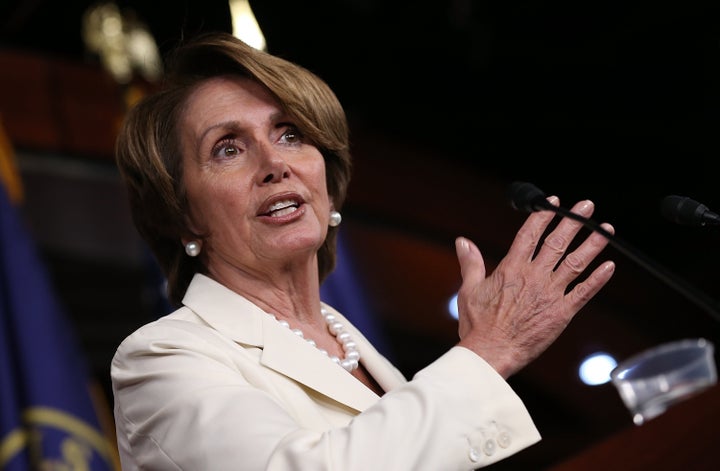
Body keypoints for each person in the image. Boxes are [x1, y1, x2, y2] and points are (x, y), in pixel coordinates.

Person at [110, 31, 616, 470]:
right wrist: (487, 352)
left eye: (290, 134)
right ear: (182, 215)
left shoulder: (356, 347)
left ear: (326, 180)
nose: (274, 163)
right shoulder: (161, 359)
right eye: (227, 148)